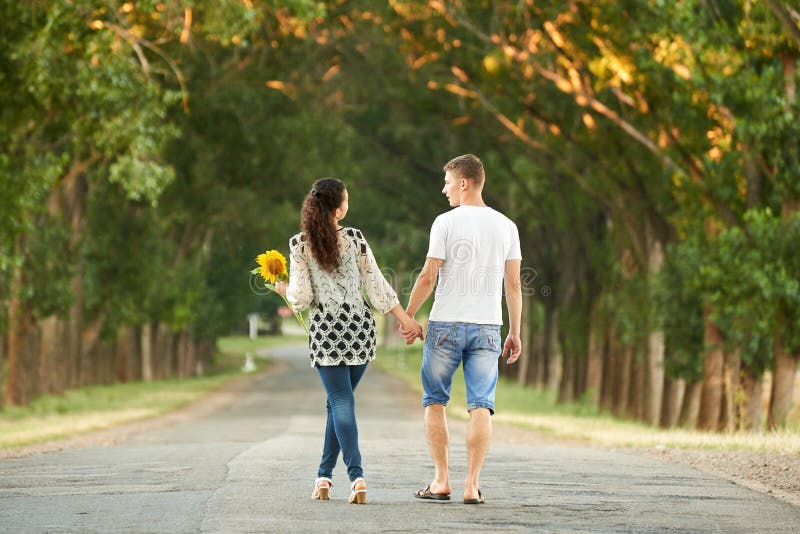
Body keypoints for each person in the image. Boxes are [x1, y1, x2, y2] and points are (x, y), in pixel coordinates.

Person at [277, 177, 421, 504]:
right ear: (339, 210)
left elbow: (301, 298)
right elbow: (378, 287)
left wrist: (283, 289)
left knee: (340, 402)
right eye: (347, 200)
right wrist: (406, 320)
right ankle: (324, 477)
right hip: (359, 331)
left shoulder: (299, 245)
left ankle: (356, 477)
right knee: (338, 403)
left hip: (326, 333)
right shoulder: (355, 239)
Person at [401, 154, 522, 505]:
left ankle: (441, 481)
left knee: (435, 401)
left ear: (464, 183)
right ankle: (471, 485)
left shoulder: (445, 223)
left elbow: (428, 275)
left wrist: (409, 315)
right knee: (481, 405)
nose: (444, 190)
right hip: (487, 328)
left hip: (444, 327)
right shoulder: (507, 226)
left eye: (448, 183)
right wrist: (515, 331)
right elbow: (513, 286)